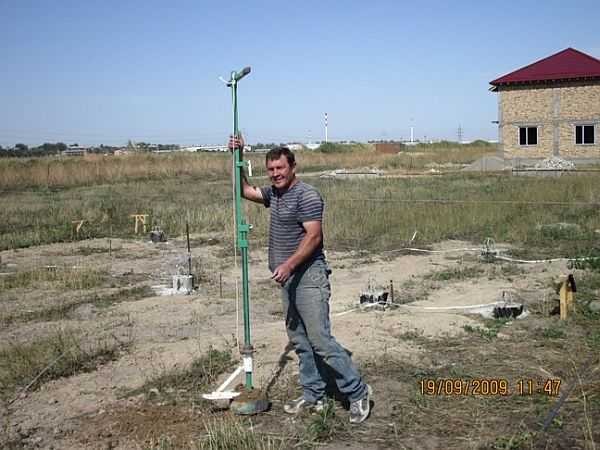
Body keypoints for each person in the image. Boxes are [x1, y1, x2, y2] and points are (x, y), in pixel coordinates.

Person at [229, 136, 372, 424]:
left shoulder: (307, 195)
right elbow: (242, 190)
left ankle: (357, 392)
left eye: (280, 168)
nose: (275, 174)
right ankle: (313, 395)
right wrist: (237, 155)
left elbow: (313, 236)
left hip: (309, 276)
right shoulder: (275, 194)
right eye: (270, 170)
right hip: (289, 280)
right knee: (300, 341)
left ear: (293, 167)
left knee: (320, 340)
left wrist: (289, 264)